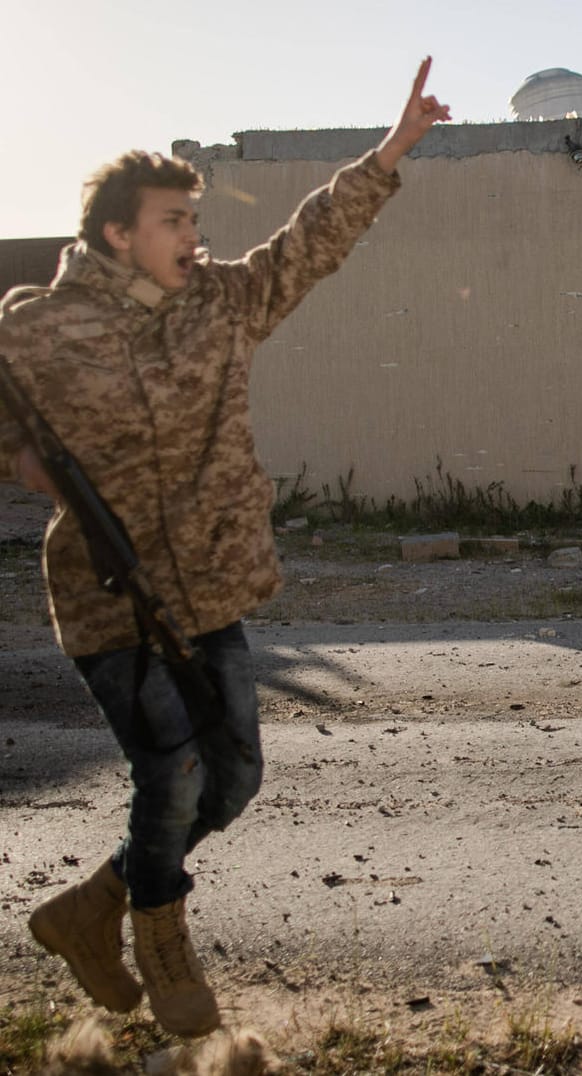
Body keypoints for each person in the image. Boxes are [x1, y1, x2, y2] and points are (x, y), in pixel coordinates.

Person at [0, 60, 451, 1038]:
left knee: (234, 776)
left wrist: (390, 152)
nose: (193, 235)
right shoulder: (38, 330)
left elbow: (306, 245)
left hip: (206, 587)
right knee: (171, 771)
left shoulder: (223, 302)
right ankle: (167, 954)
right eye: (173, 220)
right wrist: (27, 464)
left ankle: (92, 908)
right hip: (106, 594)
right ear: (117, 233)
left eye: (194, 219)